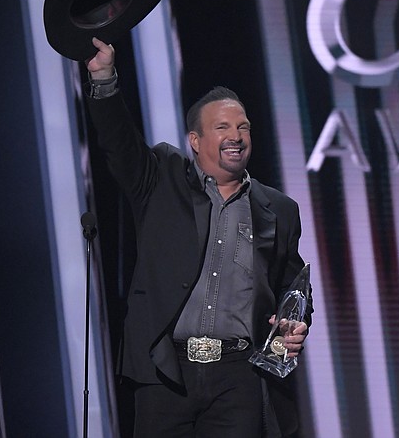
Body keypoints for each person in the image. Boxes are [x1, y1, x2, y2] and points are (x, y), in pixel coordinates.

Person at [84, 37, 311, 437]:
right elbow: (119, 143)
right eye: (222, 127)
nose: (236, 135)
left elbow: (293, 289)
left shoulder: (278, 208)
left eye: (243, 127)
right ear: (195, 140)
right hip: (165, 373)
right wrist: (104, 78)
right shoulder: (160, 180)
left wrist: (295, 324)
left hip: (238, 378)